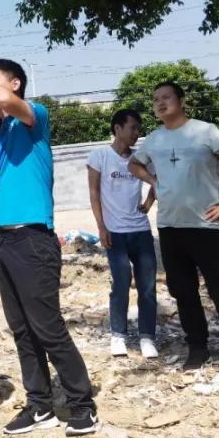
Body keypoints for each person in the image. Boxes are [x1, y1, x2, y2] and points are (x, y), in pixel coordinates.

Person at [0, 60, 100, 437]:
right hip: (4, 238)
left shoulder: (35, 116)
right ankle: (40, 404)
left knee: (47, 326)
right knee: (22, 329)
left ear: (15, 83)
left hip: (33, 237)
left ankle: (82, 404)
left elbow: (5, 101)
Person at [128, 81, 219, 385]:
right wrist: (153, 180)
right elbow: (134, 164)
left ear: (181, 100)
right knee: (183, 292)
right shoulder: (154, 139)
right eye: (156, 99)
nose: (160, 103)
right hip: (170, 227)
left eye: (166, 97)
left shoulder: (205, 131)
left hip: (205, 226)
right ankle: (197, 347)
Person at [87, 108, 158, 360]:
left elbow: (156, 180)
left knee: (147, 286)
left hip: (140, 230)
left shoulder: (140, 159)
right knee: (121, 282)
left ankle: (147, 337)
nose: (136, 133)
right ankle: (118, 335)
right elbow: (94, 193)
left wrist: (148, 204)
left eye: (139, 129)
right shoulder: (99, 156)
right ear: (117, 128)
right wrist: (101, 226)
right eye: (132, 128)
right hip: (115, 232)